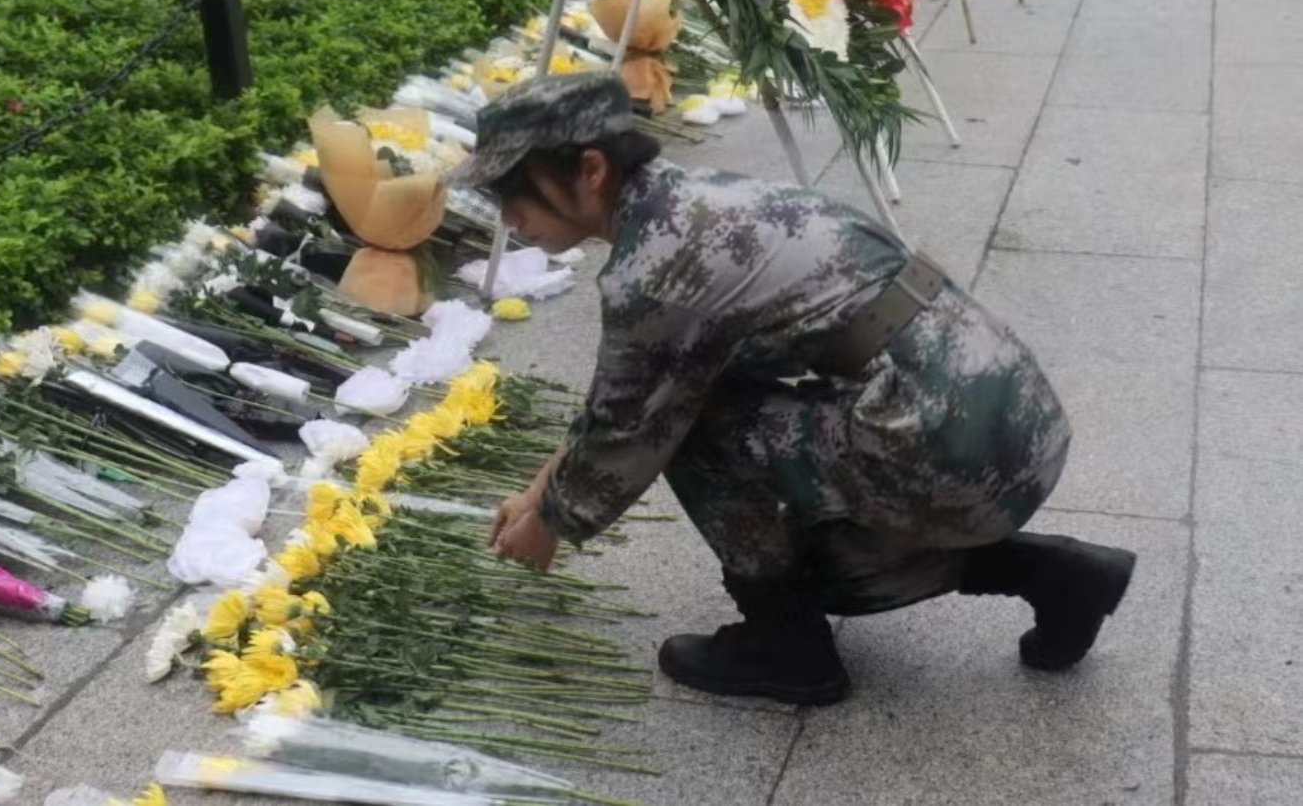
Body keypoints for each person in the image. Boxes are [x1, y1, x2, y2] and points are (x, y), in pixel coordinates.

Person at [457, 72, 1134, 706]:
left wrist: (551, 521)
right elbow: (632, 393)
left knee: (693, 433)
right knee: (792, 524)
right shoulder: (695, 199)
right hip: (1011, 413)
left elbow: (631, 427)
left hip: (950, 444)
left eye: (514, 191)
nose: (508, 217)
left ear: (590, 170)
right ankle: (1055, 575)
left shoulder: (654, 271)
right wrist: (539, 492)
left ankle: (786, 643)